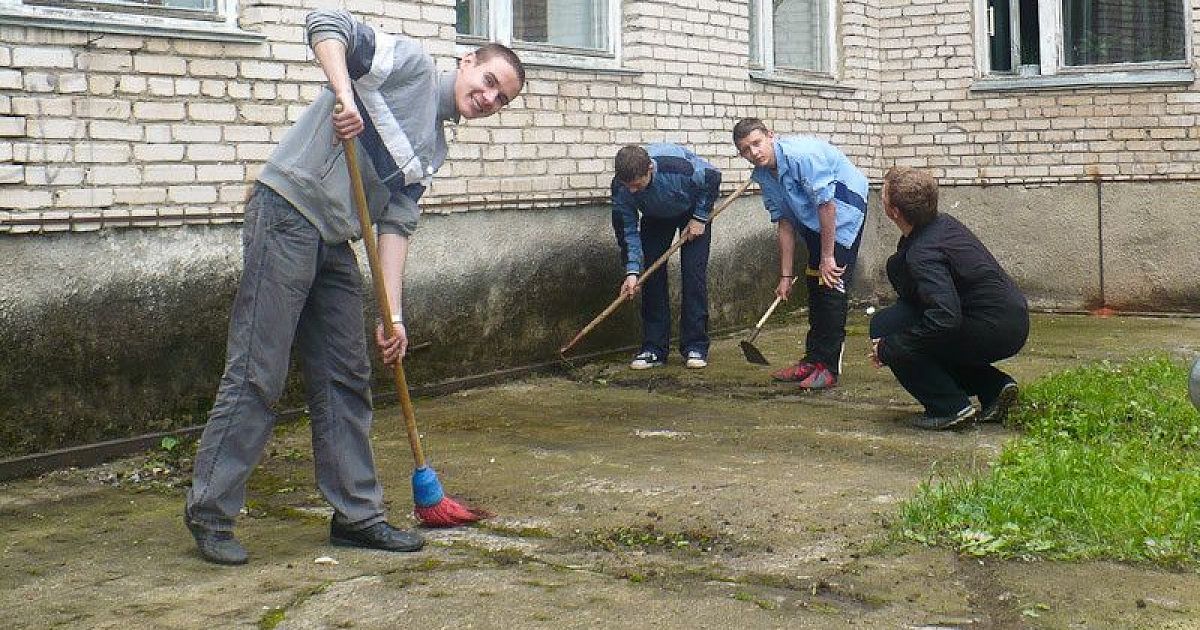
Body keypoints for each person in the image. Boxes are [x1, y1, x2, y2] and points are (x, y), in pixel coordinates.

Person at [183, 9, 524, 565]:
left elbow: (395, 227)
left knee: (347, 375)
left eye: (501, 99)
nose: (489, 98)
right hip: (288, 211)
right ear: (467, 62)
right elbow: (326, 24)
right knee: (258, 370)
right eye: (489, 82)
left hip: (334, 239)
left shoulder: (432, 149)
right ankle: (211, 513)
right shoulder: (408, 66)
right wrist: (343, 94)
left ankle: (357, 516)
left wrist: (393, 316)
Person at [868, 166, 1028, 430]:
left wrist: (889, 348)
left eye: (883, 196)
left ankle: (949, 407)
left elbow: (945, 317)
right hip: (1012, 320)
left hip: (990, 329)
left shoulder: (923, 252)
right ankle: (994, 387)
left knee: (887, 328)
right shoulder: (944, 224)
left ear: (893, 212)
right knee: (904, 323)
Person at [732, 118, 868, 389]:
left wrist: (828, 258)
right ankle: (812, 359)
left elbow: (827, 206)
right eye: (745, 150)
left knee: (830, 286)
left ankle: (828, 367)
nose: (754, 153)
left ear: (770, 135)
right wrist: (785, 275)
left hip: (843, 209)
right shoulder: (762, 174)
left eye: (757, 144)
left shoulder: (802, 157)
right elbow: (784, 222)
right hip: (811, 217)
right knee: (813, 283)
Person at [611, 144, 722, 369]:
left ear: (650, 169)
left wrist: (700, 217)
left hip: (692, 211)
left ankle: (695, 345)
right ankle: (654, 348)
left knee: (693, 275)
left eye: (637, 185)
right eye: (628, 186)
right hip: (655, 216)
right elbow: (628, 230)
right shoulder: (622, 187)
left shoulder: (679, 169)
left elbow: (712, 177)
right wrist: (632, 271)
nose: (633, 191)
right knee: (650, 276)